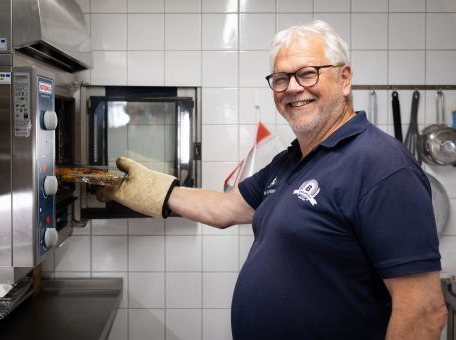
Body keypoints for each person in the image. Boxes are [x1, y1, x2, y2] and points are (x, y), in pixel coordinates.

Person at [97, 20, 447, 340]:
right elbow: (224, 208)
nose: (292, 88)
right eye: (280, 78)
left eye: (307, 74)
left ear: (344, 79)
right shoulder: (292, 159)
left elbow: (424, 311)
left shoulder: (382, 166)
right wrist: (152, 189)